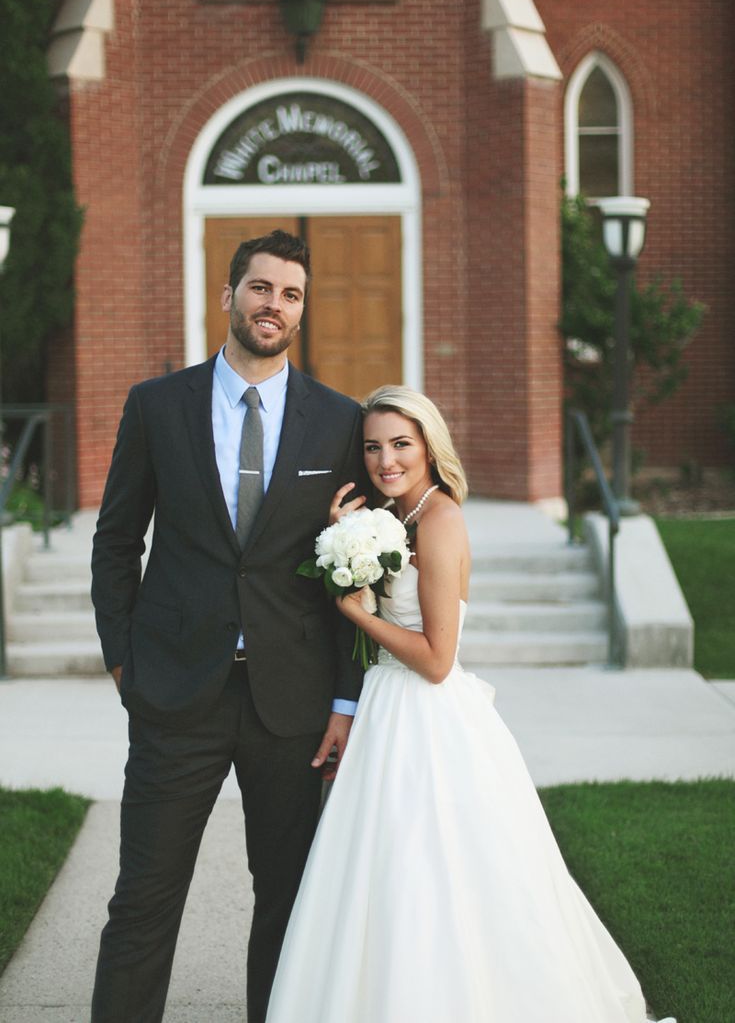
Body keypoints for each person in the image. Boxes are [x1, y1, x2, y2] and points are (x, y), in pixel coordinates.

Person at [265, 385, 676, 1023]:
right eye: (373, 446)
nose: (385, 459)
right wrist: (348, 545)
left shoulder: (440, 519)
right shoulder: (394, 517)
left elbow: (435, 660)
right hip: (387, 708)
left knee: (430, 870)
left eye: (401, 443)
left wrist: (356, 611)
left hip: (426, 717)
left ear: (429, 445)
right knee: (385, 875)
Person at [90, 229, 367, 1023]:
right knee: (143, 898)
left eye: (290, 294)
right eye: (260, 288)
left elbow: (357, 573)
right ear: (228, 296)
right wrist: (124, 662)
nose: (273, 305)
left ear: (301, 310)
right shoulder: (155, 405)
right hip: (175, 692)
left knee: (285, 901)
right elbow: (116, 539)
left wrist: (344, 702)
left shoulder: (337, 420)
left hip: (293, 702)